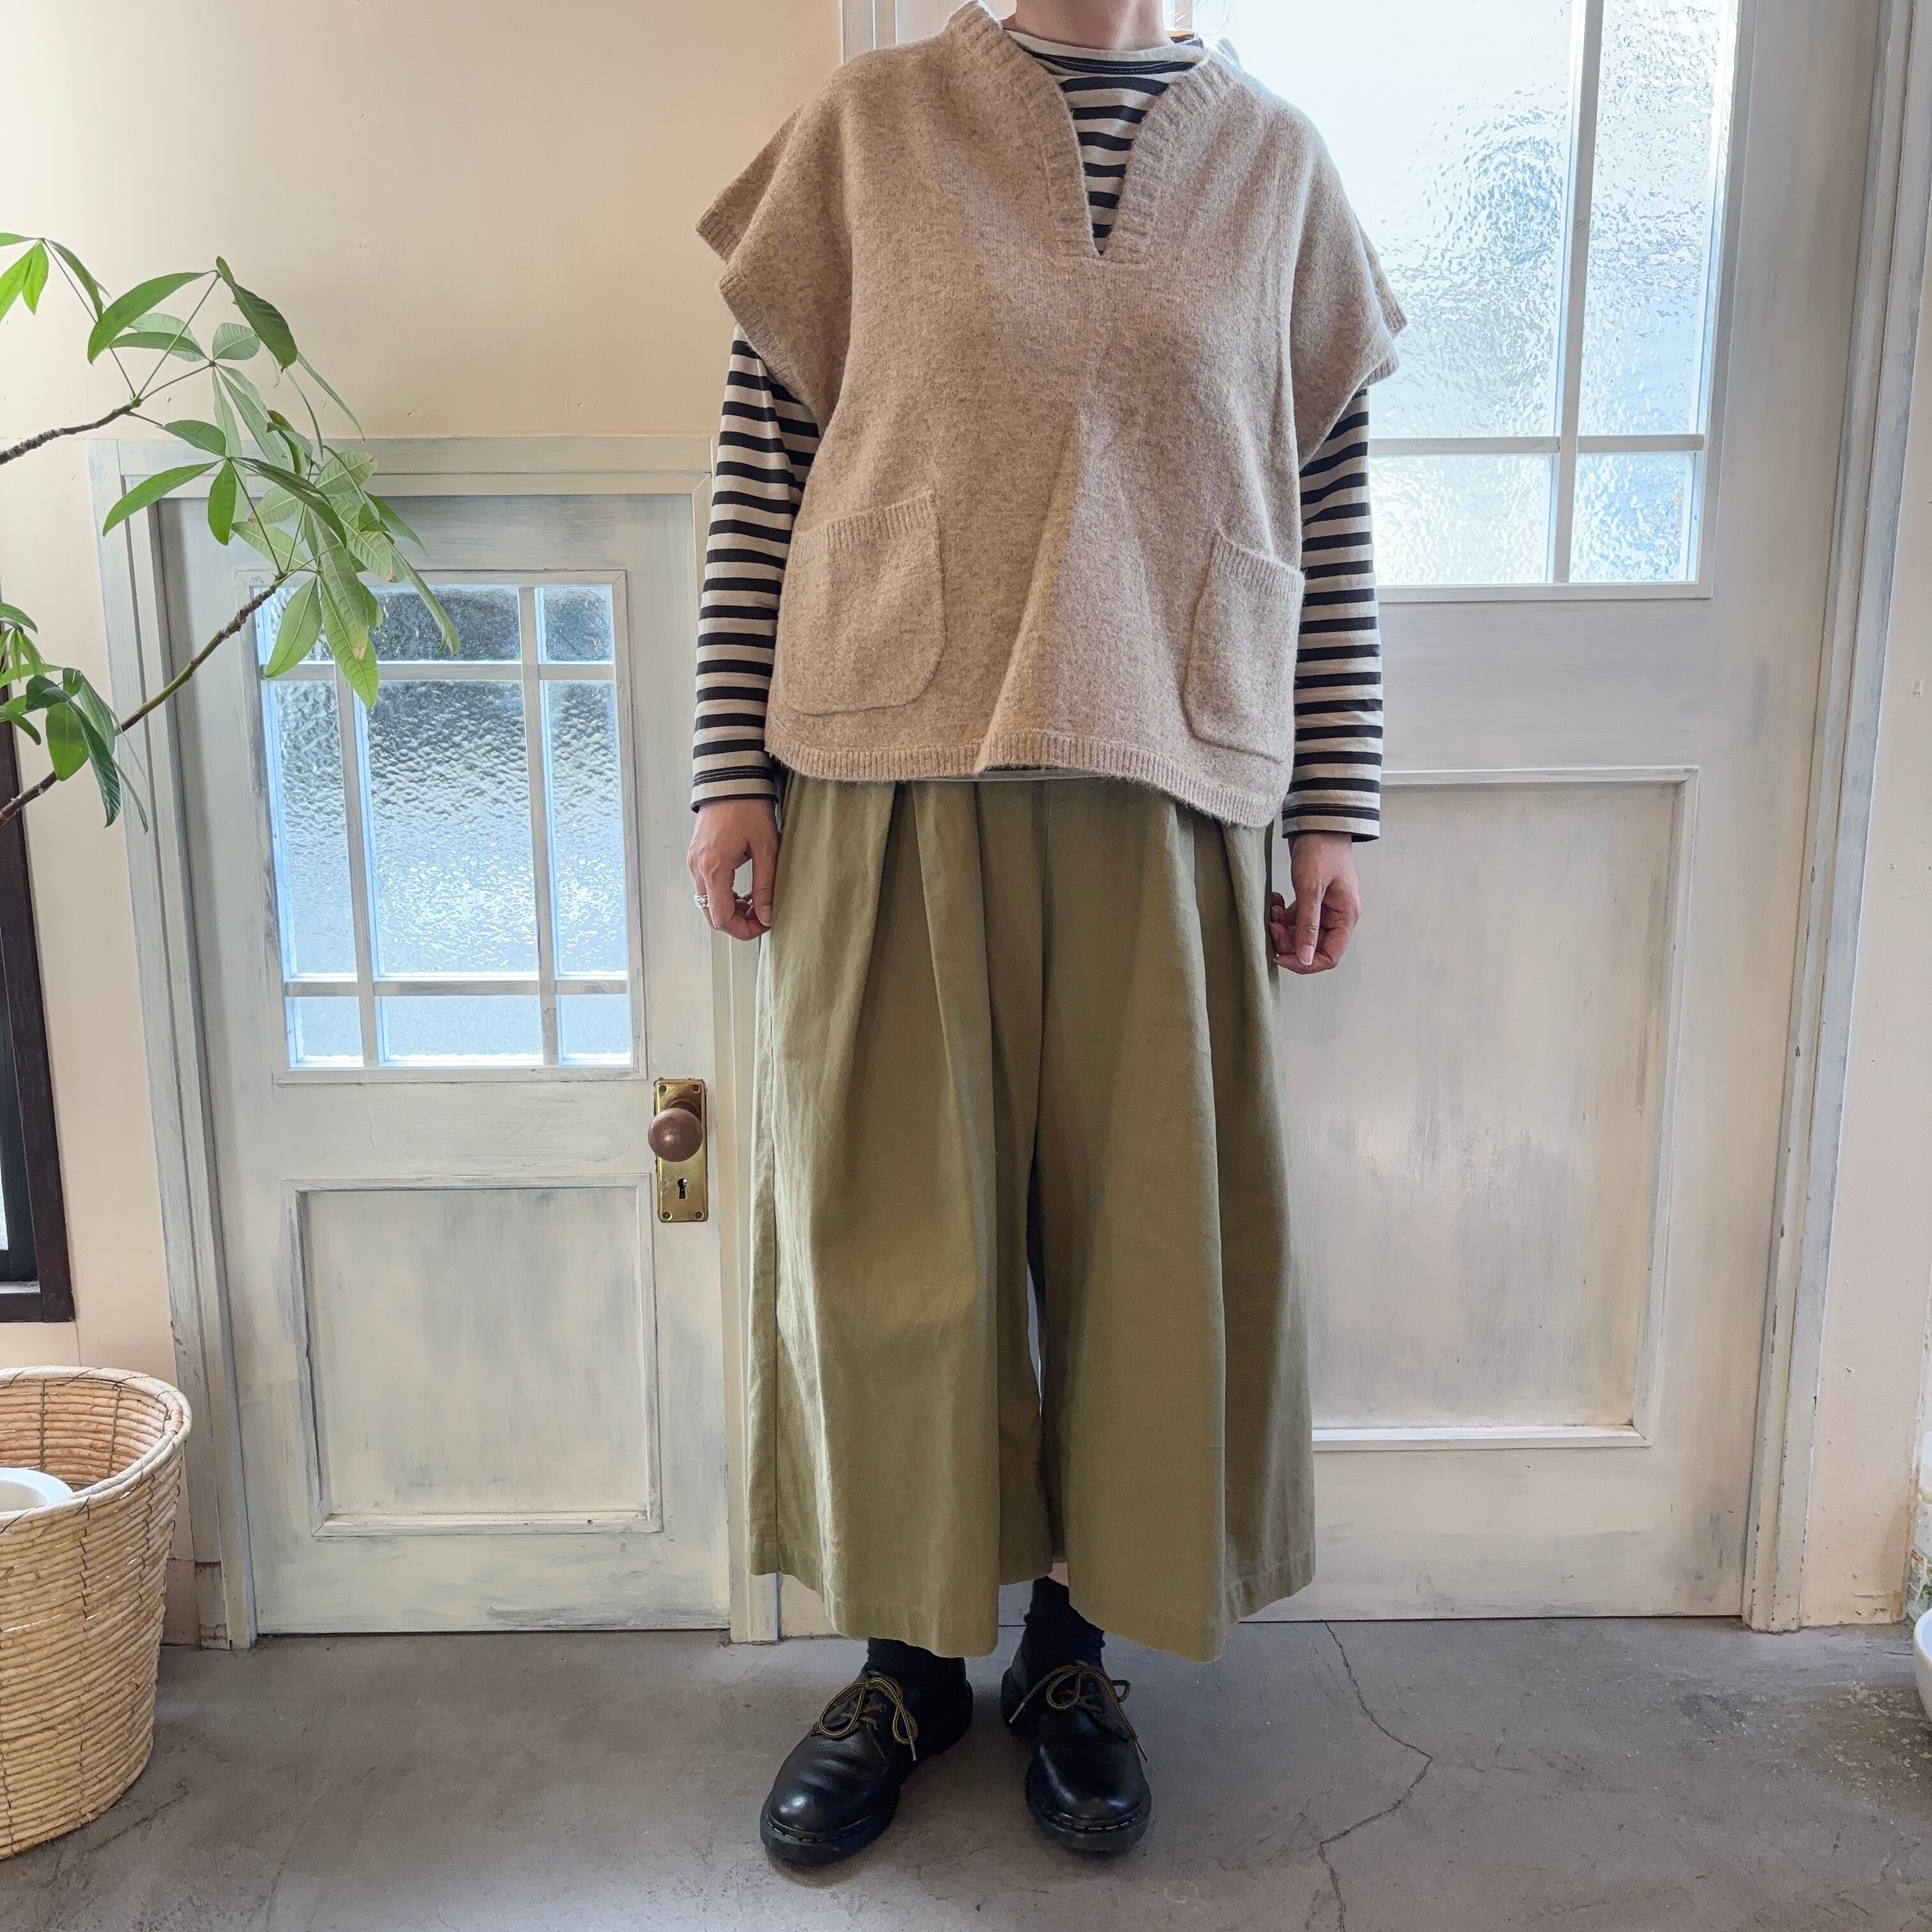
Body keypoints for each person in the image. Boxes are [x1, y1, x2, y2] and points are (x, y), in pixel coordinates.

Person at [687, 0, 1401, 1866]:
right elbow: (760, 469)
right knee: (894, 1255)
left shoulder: (1279, 169)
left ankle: (1074, 1661)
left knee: (1142, 1261)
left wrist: (1335, 800)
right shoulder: (870, 129)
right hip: (887, 773)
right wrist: (726, 768)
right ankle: (909, 1664)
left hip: (1169, 788)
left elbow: (1328, 512)